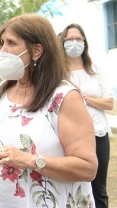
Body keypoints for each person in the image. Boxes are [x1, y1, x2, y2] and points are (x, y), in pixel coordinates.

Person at [0, 14, 98, 208]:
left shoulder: (64, 97)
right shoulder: (1, 91)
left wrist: (31, 160)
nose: (3, 51)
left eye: (11, 43)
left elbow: (87, 168)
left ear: (37, 50)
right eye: (2, 43)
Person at [60, 23, 114, 208]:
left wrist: (82, 99)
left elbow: (109, 102)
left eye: (78, 39)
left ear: (84, 42)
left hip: (98, 134)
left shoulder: (95, 69)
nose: (74, 43)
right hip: (69, 137)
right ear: (63, 42)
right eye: (69, 39)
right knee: (73, 187)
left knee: (99, 188)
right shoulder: (58, 73)